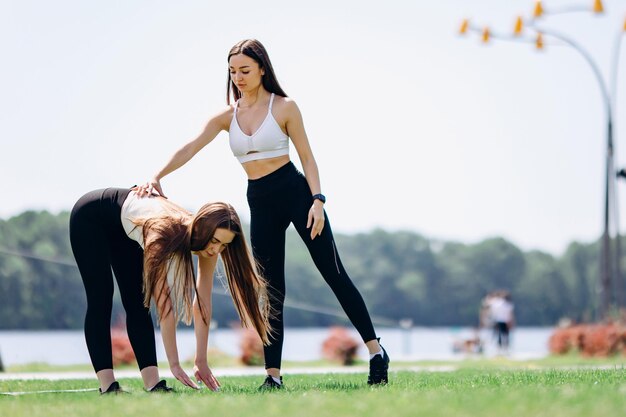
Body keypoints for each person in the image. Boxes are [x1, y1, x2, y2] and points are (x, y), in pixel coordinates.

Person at [136, 39, 389, 388]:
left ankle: (376, 352)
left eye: (245, 70)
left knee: (333, 273)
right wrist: (156, 176)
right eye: (233, 71)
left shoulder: (284, 107)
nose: (238, 77)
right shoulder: (227, 116)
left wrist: (318, 200)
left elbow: (308, 157)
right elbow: (191, 146)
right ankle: (273, 375)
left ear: (262, 69)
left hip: (296, 194)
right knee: (271, 291)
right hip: (260, 200)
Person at [69, 187, 270, 394]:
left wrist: (201, 360)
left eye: (224, 245)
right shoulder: (164, 233)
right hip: (91, 216)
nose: (216, 250)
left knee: (137, 302)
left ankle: (153, 384)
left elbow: (202, 304)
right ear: (202, 228)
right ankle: (108, 386)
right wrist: (174, 364)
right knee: (100, 298)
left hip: (125, 226)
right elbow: (165, 305)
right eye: (215, 241)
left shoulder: (209, 247)